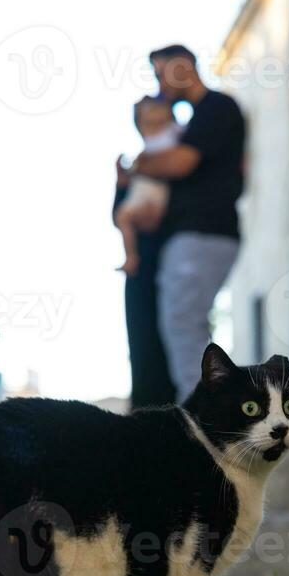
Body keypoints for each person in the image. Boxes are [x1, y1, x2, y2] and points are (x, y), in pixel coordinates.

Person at [132, 44, 245, 401]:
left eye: (160, 71)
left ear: (181, 66)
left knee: (183, 325)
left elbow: (180, 164)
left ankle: (205, 415)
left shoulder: (217, 107)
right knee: (185, 325)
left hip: (203, 235)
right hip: (197, 238)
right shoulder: (195, 118)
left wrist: (138, 165)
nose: (158, 84)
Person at [113, 155, 175, 410]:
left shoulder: (169, 166)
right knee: (142, 347)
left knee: (171, 342)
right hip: (141, 274)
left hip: (168, 266)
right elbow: (119, 216)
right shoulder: (137, 175)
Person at [115, 96, 178, 276]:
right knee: (123, 217)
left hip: (154, 195)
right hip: (143, 194)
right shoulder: (149, 148)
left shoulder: (172, 136)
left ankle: (131, 257)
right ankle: (131, 257)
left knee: (124, 217)